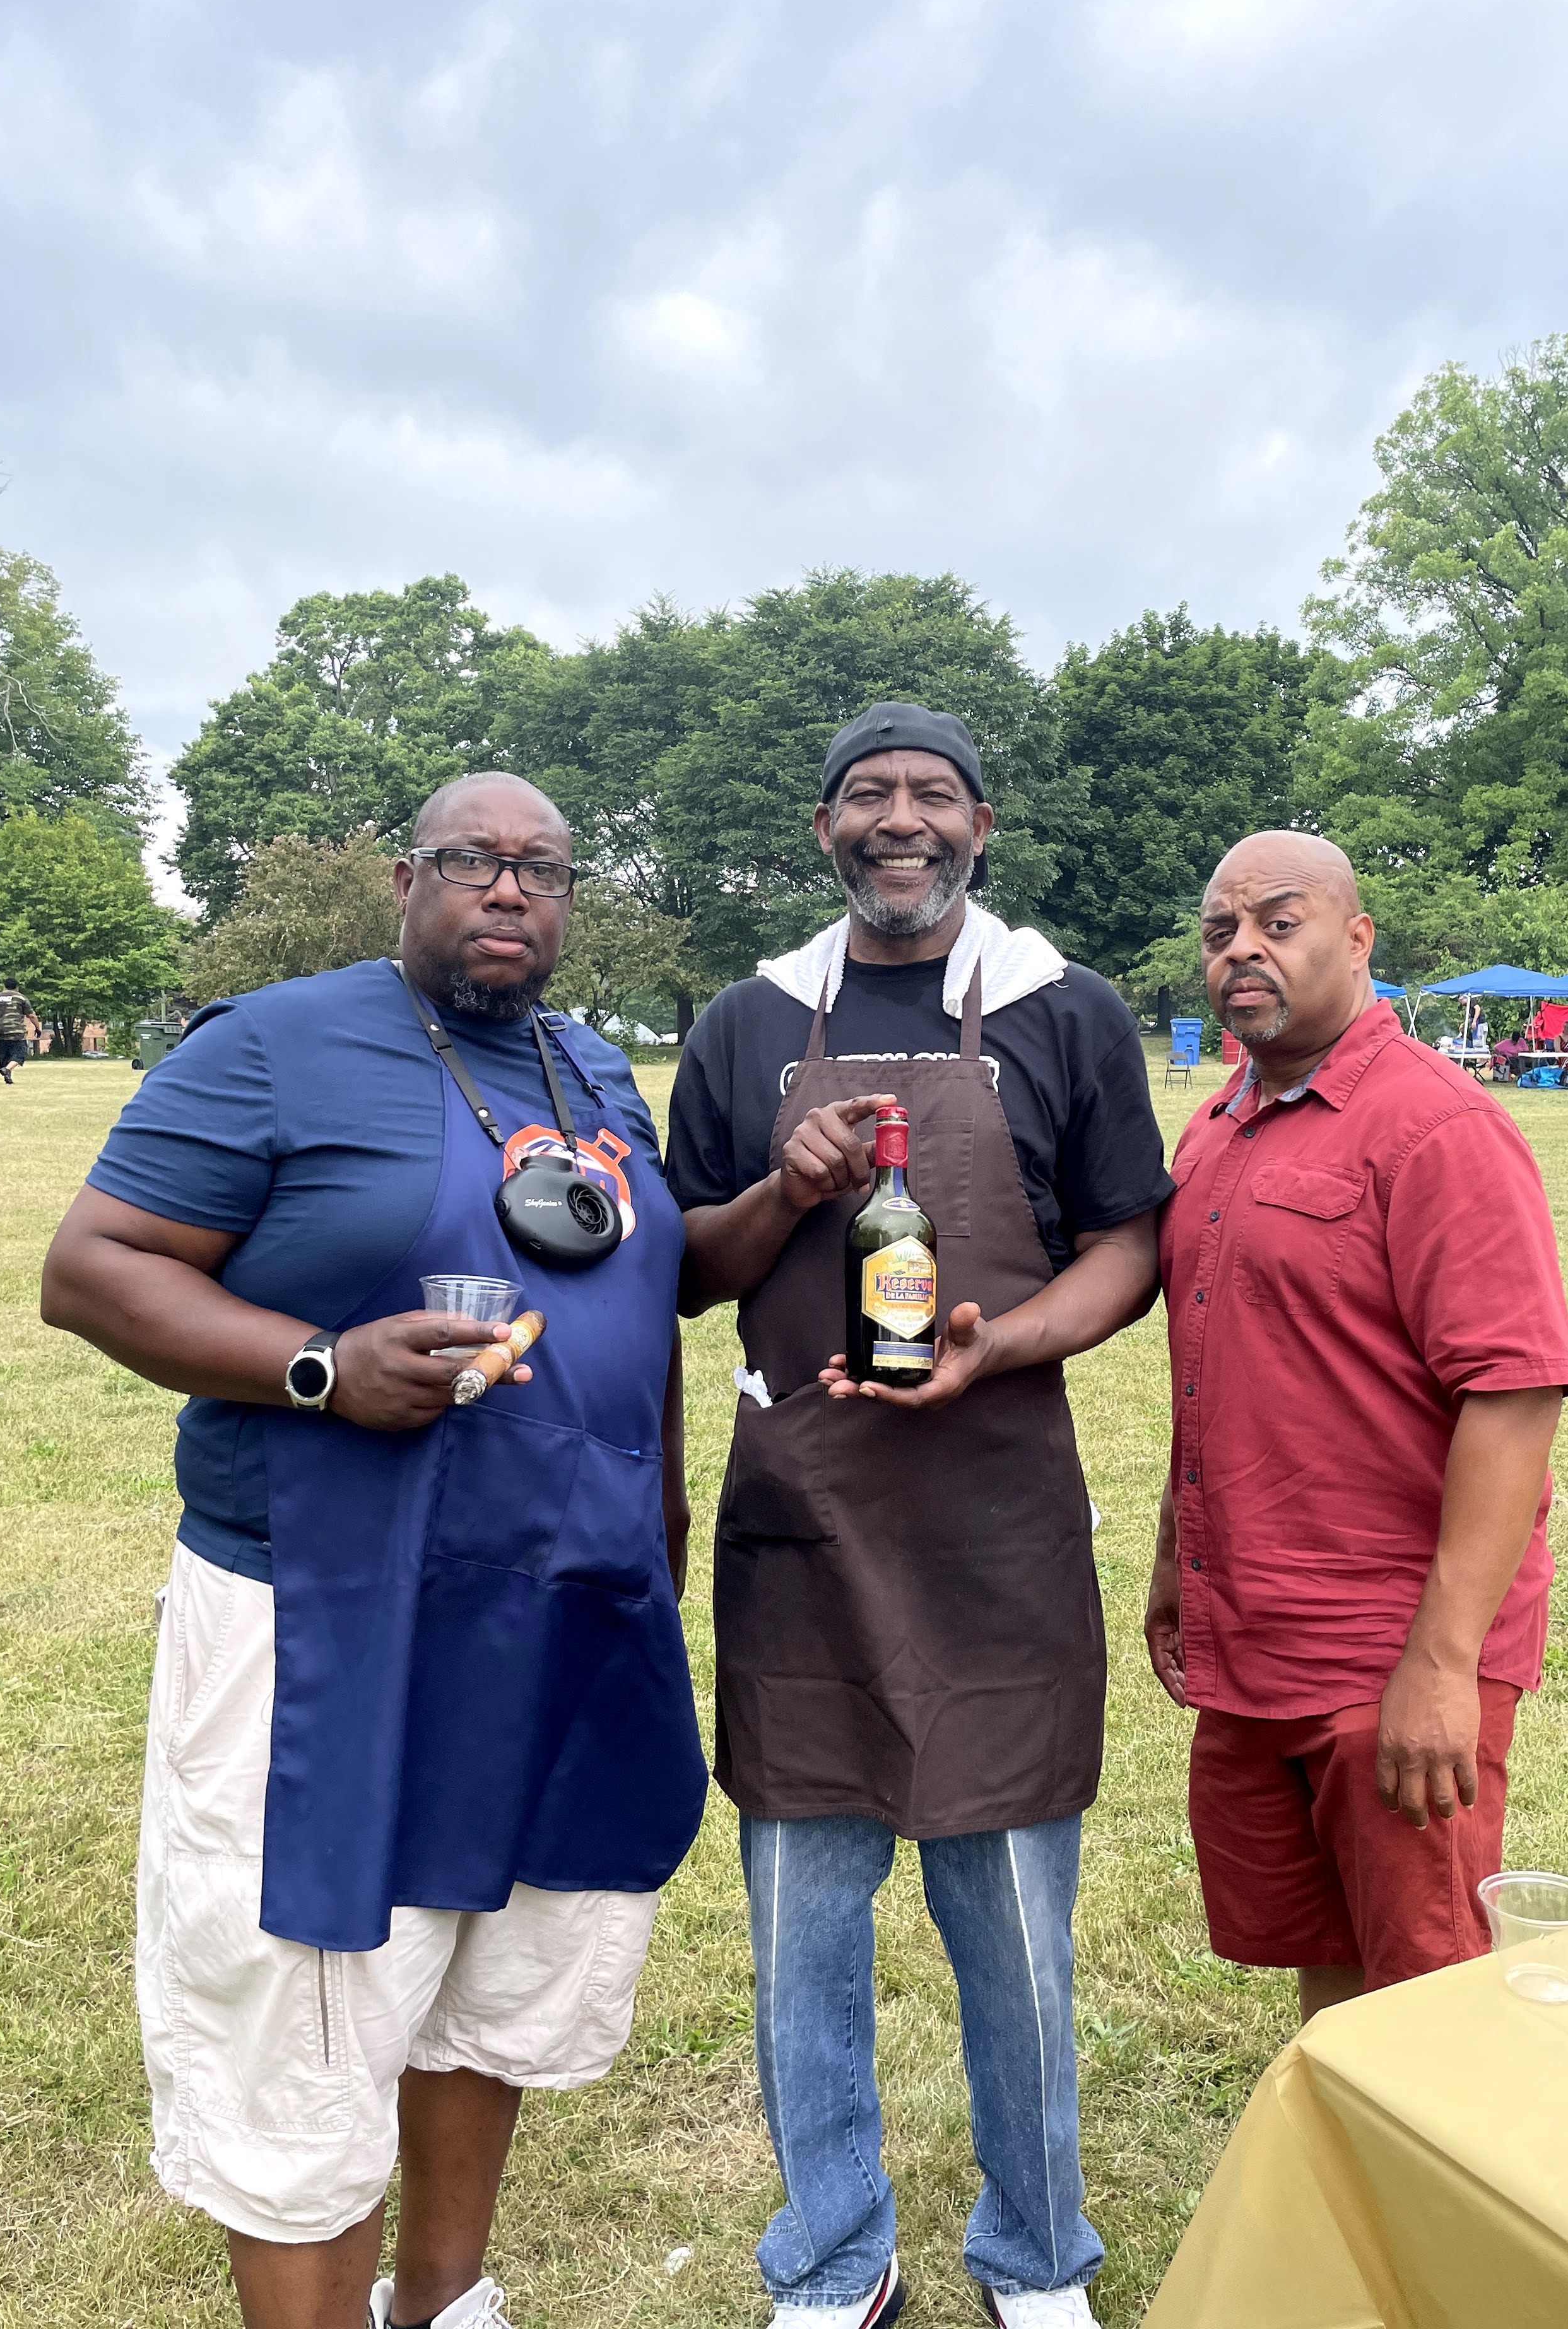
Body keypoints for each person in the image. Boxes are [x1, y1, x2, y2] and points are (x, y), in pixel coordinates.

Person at [41, 774, 705, 2329]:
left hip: (557, 1607)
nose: (508, 889)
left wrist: (662, 1509)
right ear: (407, 879)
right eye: (473, 860)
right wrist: (318, 1368)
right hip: (328, 1617)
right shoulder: (273, 1044)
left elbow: (641, 1292)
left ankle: (443, 2303)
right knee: (309, 2019)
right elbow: (91, 1268)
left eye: (542, 869)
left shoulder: (592, 1068)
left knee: (491, 1979)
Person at [668, 703, 1169, 2329]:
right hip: (804, 1533)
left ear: (981, 826)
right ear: (824, 828)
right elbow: (687, 1270)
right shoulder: (747, 1022)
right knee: (802, 1933)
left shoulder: (1063, 1009)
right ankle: (835, 2256)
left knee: (1016, 1936)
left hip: (995, 1531)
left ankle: (1037, 2254)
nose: (903, 820)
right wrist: (785, 1189)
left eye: (934, 794)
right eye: (869, 795)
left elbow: (1130, 1245)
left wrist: (1002, 1344)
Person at [1143, 832, 1568, 2020]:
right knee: (1327, 1963)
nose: (1241, 950)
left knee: (1427, 1992)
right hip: (1255, 1637)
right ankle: (1342, 2148)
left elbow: (1513, 1395)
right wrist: (1174, 1561)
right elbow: (1218, 1367)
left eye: (1276, 924)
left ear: (1355, 939)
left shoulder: (1437, 1126)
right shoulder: (1216, 1126)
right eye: (1220, 932)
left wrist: (1442, 1664)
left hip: (1388, 1645)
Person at [0, 976, 40, 1082]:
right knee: (20, 1054)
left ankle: (7, 1075)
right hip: (16, 1032)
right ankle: (7, 1069)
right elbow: (32, 1016)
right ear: (17, 987)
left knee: (5, 1057)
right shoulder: (21, 998)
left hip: (0, 1032)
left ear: (4, 986)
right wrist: (38, 1028)